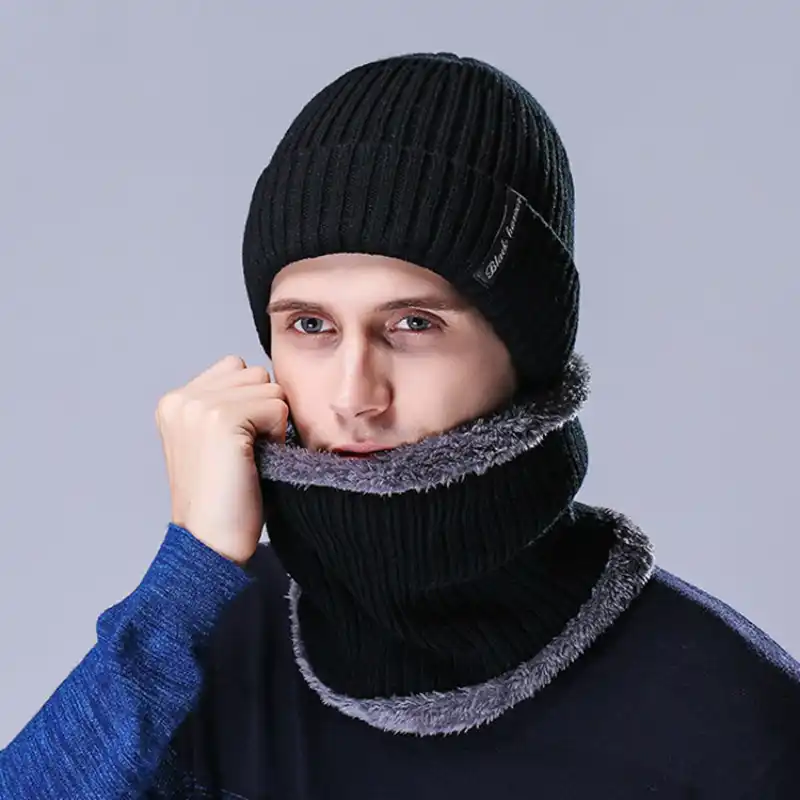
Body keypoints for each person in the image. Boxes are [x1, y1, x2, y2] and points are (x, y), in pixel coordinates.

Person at [1, 51, 799, 800]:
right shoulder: (195, 645)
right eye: (310, 326)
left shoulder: (728, 717)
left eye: (414, 323)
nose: (355, 395)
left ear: (527, 352)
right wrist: (190, 569)